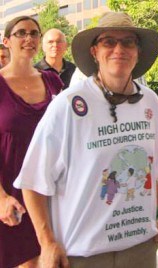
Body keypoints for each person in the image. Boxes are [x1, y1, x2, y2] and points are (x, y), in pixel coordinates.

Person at [14, 11, 158, 268]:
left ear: (138, 52)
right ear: (95, 52)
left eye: (128, 42)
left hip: (140, 248)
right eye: (109, 41)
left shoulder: (150, 101)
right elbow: (31, 181)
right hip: (84, 254)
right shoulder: (67, 105)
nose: (119, 49)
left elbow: (149, 168)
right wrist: (47, 242)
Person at [0, 16, 63, 268]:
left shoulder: (53, 81)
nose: (29, 38)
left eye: (35, 33)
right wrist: (1, 198)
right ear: (6, 41)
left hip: (51, 193)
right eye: (21, 33)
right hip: (11, 196)